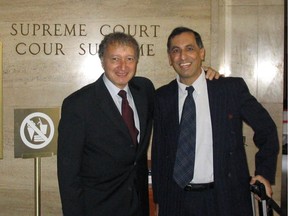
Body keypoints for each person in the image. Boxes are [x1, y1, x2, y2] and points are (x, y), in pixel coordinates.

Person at [57, 31, 219, 216]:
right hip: (98, 208)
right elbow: (68, 175)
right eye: (115, 59)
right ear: (102, 60)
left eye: (129, 58)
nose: (122, 66)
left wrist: (202, 73)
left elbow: (179, 94)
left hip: (138, 205)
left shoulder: (145, 90)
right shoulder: (78, 105)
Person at [151, 27, 279, 216]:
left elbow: (267, 129)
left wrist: (264, 174)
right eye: (175, 51)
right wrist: (160, 199)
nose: (182, 56)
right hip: (177, 201)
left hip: (225, 199)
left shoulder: (229, 89)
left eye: (189, 48)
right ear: (170, 58)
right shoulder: (162, 97)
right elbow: (160, 153)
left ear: (202, 53)